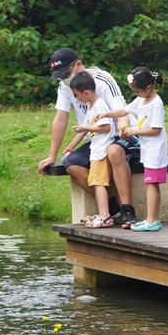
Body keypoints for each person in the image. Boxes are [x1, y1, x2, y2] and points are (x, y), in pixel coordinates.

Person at [37, 48, 140, 227]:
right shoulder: (65, 86)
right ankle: (110, 210)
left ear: (78, 65)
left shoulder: (102, 80)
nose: (64, 80)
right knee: (71, 164)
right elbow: (61, 118)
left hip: (119, 134)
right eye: (60, 76)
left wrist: (124, 129)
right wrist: (52, 156)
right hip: (96, 138)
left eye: (66, 74)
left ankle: (127, 211)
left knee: (114, 150)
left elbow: (123, 111)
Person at [94, 67, 168, 232]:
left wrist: (133, 131)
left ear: (148, 88)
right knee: (150, 184)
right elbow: (124, 110)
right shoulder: (141, 100)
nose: (137, 94)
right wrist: (106, 114)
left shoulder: (156, 104)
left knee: (152, 184)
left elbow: (156, 129)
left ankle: (152, 220)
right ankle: (151, 219)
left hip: (156, 151)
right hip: (149, 151)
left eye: (138, 91)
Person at [68, 72, 115, 228]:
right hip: (96, 150)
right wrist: (71, 146)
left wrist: (86, 127)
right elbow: (84, 130)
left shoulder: (100, 105)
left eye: (76, 95)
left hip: (101, 151)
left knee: (98, 183)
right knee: (96, 182)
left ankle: (105, 216)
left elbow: (106, 127)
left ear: (86, 93)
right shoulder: (91, 107)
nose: (76, 99)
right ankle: (103, 214)